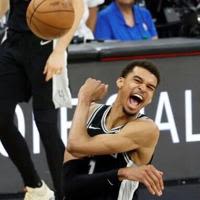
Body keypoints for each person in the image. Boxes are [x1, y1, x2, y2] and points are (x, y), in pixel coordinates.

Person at [0, 0, 84, 199]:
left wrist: (59, 51)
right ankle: (36, 187)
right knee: (1, 118)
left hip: (48, 45)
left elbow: (77, 8)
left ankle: (65, 194)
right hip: (13, 42)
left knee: (46, 126)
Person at [63, 60, 164, 199]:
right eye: (137, 80)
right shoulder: (91, 111)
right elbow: (69, 183)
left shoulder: (146, 129)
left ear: (151, 98)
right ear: (120, 82)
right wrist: (121, 173)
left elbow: (75, 145)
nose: (142, 88)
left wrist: (84, 99)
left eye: (150, 87)